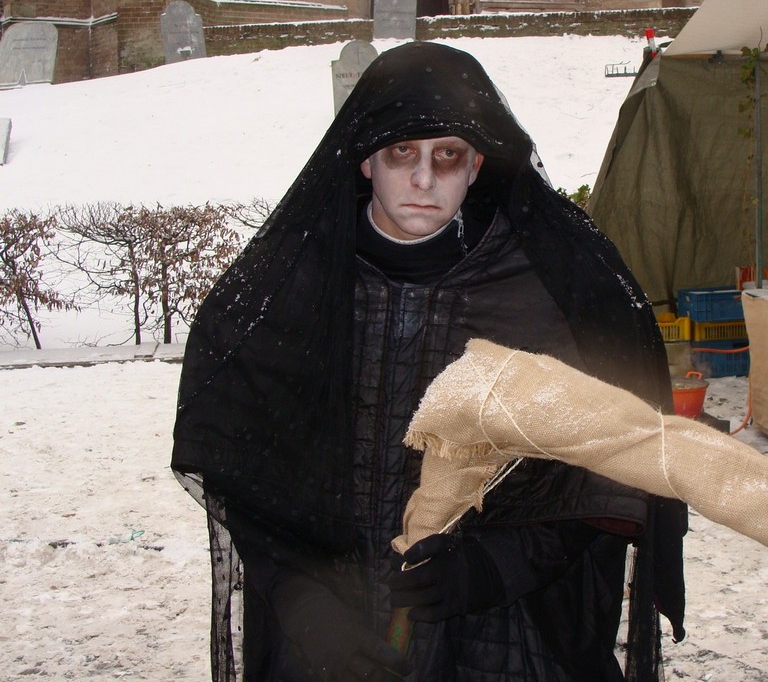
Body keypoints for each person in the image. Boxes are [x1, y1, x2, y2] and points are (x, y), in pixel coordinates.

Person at [171, 41, 687, 682]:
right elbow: (244, 465)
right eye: (401, 153)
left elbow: (608, 465)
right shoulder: (292, 292)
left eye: (447, 156)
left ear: (476, 164)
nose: (423, 180)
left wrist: (494, 566)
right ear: (365, 160)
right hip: (332, 631)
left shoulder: (548, 291)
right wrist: (305, 604)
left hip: (497, 632)